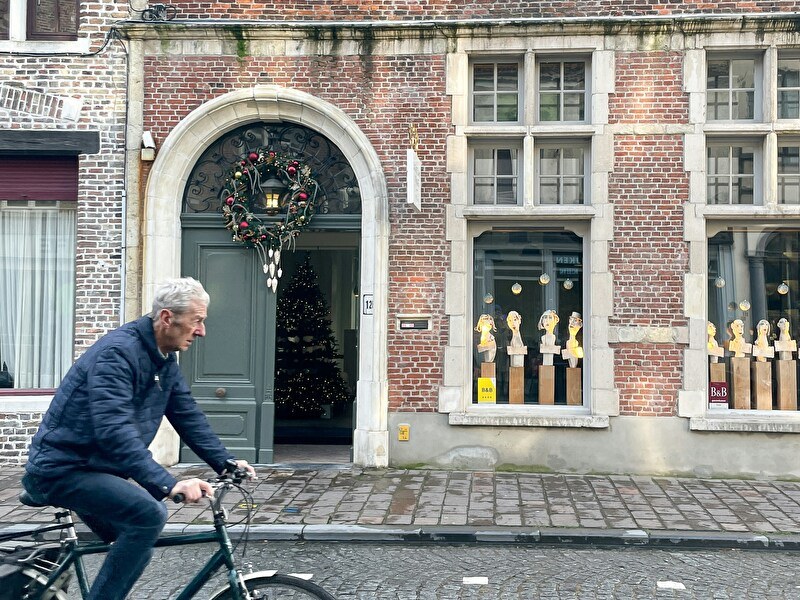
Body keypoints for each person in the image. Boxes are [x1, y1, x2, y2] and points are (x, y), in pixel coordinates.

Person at [22, 277, 256, 600]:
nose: (202, 331)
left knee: (137, 538)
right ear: (167, 318)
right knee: (148, 515)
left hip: (95, 468)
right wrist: (168, 483)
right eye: (197, 321)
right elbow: (114, 431)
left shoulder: (163, 357)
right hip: (63, 469)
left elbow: (186, 414)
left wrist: (225, 462)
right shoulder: (117, 354)